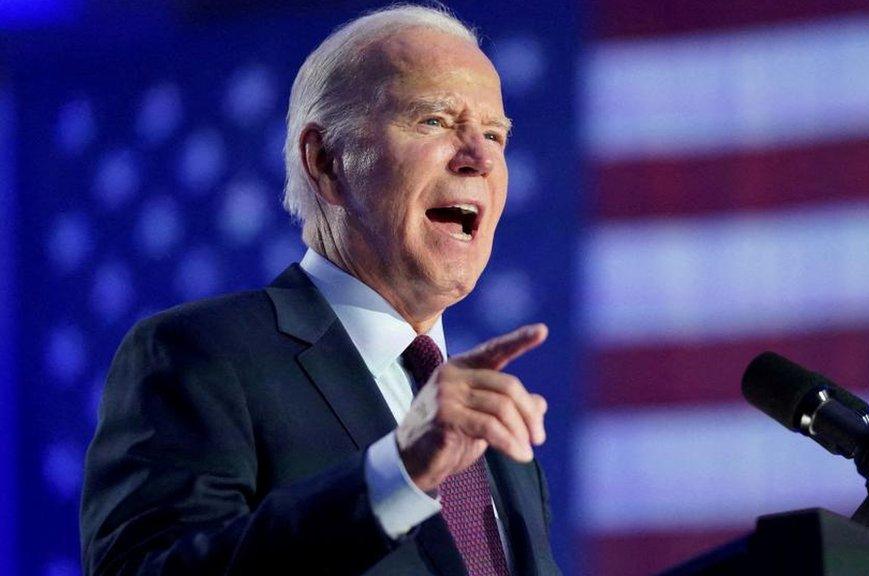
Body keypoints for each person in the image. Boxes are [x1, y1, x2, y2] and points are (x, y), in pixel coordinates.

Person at [79, 4, 561, 575]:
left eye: (493, 134)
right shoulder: (201, 357)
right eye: (433, 120)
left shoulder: (496, 434)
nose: (480, 158)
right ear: (326, 161)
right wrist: (396, 472)